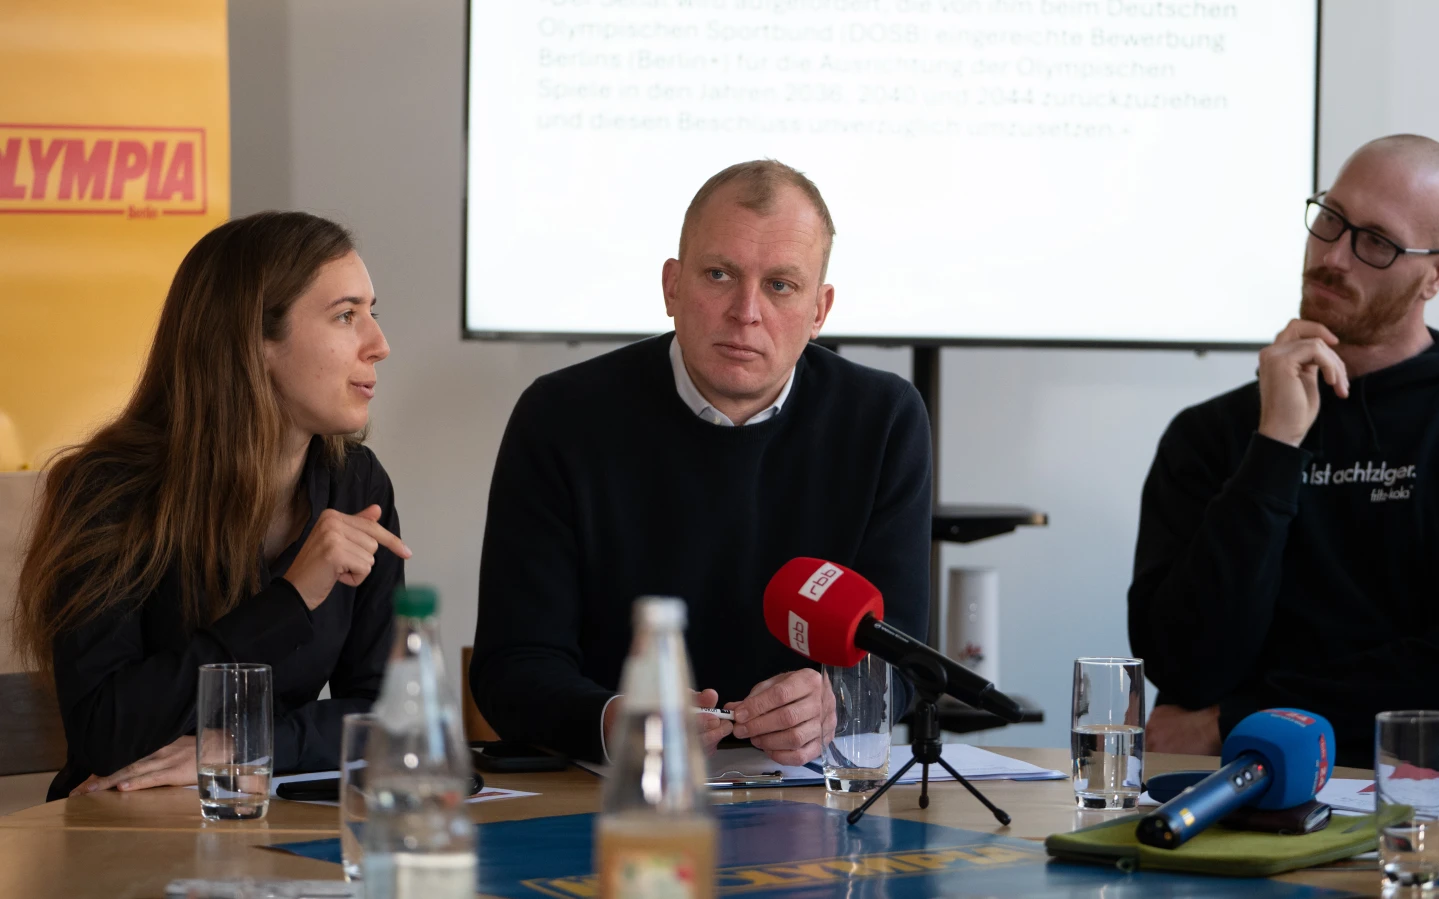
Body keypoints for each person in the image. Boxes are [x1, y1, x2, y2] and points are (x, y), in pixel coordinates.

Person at [1127, 135, 1439, 780]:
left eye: (1376, 242)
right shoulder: (1211, 436)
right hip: (1234, 788)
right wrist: (1275, 449)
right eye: (1330, 220)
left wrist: (1235, 718)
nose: (1333, 256)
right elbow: (1184, 666)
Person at [471, 160, 933, 767]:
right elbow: (511, 667)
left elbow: (904, 658)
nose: (746, 311)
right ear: (672, 286)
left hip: (811, 791)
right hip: (611, 789)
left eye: (780, 286)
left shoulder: (884, 419)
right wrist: (618, 720)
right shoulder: (560, 416)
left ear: (819, 311)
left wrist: (835, 702)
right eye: (719, 274)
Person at [13, 212, 409, 801]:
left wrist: (248, 745)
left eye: (372, 313)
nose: (378, 345)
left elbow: (391, 719)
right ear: (254, 339)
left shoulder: (358, 485)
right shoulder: (107, 488)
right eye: (346, 316)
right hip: (123, 837)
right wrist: (290, 600)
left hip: (269, 823)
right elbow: (105, 733)